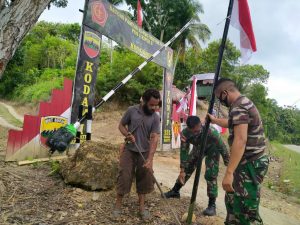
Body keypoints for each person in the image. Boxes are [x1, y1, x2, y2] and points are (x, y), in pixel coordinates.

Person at [208, 78, 269, 225]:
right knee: (233, 202)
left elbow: (240, 140)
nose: (221, 101)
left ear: (225, 93)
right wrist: (214, 120)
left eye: (219, 98)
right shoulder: (243, 103)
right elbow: (231, 122)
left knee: (245, 211)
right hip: (247, 162)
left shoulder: (239, 107)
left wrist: (229, 173)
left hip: (250, 164)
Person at [164, 115, 230, 216]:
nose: (195, 133)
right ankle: (175, 191)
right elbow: (184, 151)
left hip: (213, 149)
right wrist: (182, 170)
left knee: (210, 175)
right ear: (189, 128)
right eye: (193, 131)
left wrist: (229, 167)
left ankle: (212, 206)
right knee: (188, 167)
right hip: (198, 148)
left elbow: (222, 147)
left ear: (200, 124)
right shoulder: (185, 133)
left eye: (197, 130)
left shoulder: (211, 132)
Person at [113, 89, 161, 220]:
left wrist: (150, 159)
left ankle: (141, 208)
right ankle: (118, 206)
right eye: (151, 105)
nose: (154, 108)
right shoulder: (131, 110)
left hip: (144, 153)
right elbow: (121, 126)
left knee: (144, 179)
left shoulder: (155, 117)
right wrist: (127, 135)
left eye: (156, 105)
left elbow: (154, 138)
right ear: (144, 101)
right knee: (124, 176)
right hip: (129, 150)